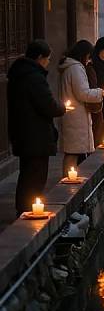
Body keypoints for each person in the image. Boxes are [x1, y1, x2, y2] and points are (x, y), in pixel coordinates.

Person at [7, 40, 66, 216]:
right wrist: (61, 107)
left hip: (23, 132)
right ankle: (29, 210)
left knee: (26, 174)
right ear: (40, 57)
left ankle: (24, 208)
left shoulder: (19, 74)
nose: (48, 63)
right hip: (36, 135)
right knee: (35, 176)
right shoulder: (34, 77)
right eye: (48, 59)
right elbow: (48, 105)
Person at [59, 40, 104, 174]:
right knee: (73, 152)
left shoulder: (69, 67)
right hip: (76, 116)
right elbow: (82, 93)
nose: (89, 60)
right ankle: (68, 182)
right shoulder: (76, 68)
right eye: (88, 56)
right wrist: (100, 92)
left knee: (72, 152)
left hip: (72, 114)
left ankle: (68, 178)